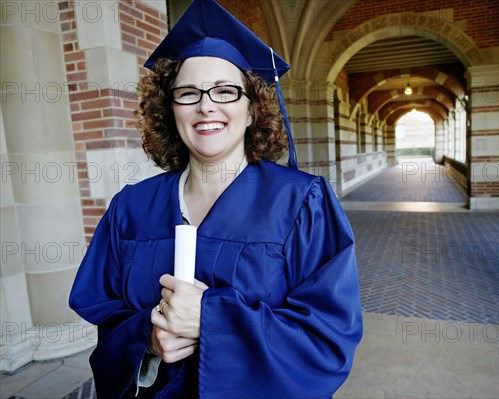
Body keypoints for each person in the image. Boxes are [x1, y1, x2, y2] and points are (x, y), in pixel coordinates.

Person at [69, 0, 362, 397]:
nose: (206, 105)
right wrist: (149, 345)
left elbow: (327, 339)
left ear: (251, 108)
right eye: (188, 93)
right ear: (170, 109)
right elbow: (106, 318)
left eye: (225, 91)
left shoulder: (301, 203)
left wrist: (211, 320)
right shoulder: (131, 209)